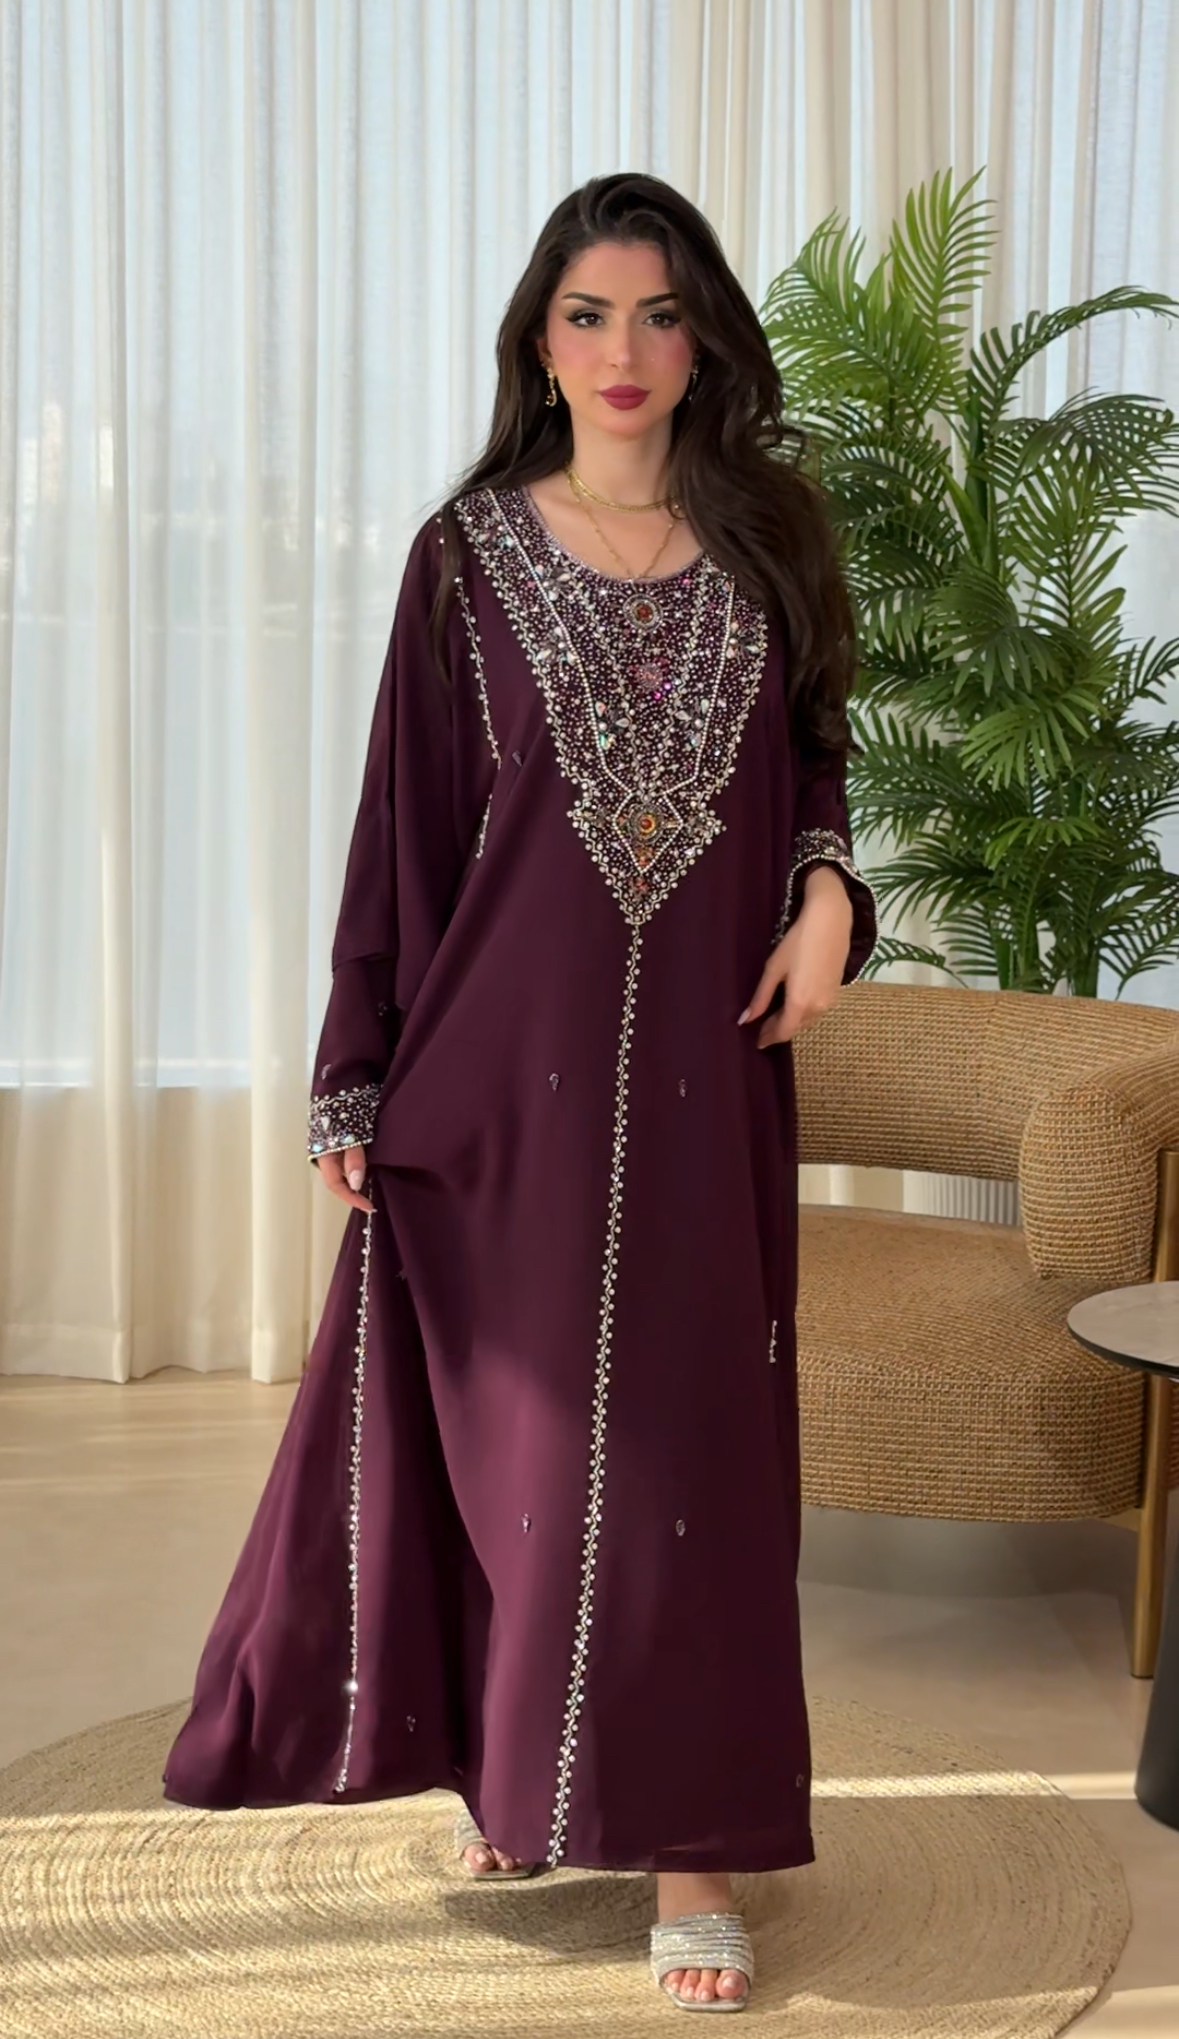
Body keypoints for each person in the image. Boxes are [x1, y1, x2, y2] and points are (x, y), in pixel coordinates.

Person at [162, 170, 877, 2015]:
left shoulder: (774, 538)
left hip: (708, 1082)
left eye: (659, 313)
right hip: (498, 1080)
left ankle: (694, 1848)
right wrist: (355, 1069)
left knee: (691, 1457)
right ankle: (523, 1767)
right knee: (526, 1454)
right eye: (588, 314)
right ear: (539, 345)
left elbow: (816, 758)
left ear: (705, 339)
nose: (625, 349)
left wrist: (828, 892)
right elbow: (400, 830)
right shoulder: (467, 555)